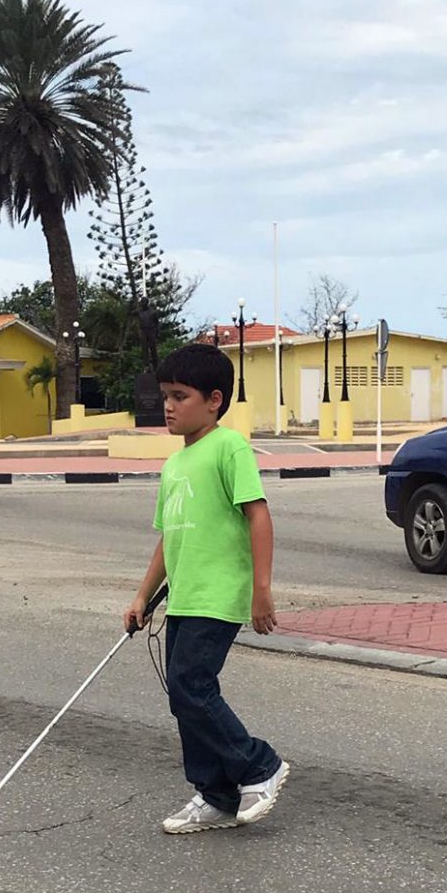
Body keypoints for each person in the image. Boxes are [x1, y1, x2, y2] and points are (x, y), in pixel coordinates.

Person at [124, 343, 289, 834]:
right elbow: (167, 538)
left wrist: (262, 589)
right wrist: (141, 596)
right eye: (166, 396)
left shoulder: (228, 447)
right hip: (185, 596)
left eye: (180, 396)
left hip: (219, 594)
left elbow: (258, 514)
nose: (169, 406)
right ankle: (215, 796)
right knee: (183, 693)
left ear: (214, 400)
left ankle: (259, 765)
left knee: (192, 687)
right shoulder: (175, 465)